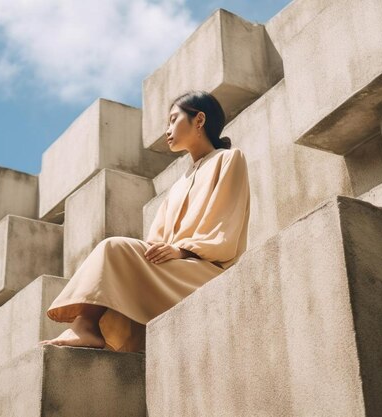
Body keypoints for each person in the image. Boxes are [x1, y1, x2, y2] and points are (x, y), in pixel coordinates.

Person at [39, 90, 251, 352]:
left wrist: (181, 250)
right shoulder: (177, 186)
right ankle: (88, 328)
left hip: (203, 272)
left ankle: (86, 326)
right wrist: (161, 253)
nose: (168, 129)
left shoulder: (228, 159)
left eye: (174, 120)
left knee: (113, 247)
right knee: (120, 270)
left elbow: (224, 229)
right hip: (171, 272)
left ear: (199, 120)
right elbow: (154, 243)